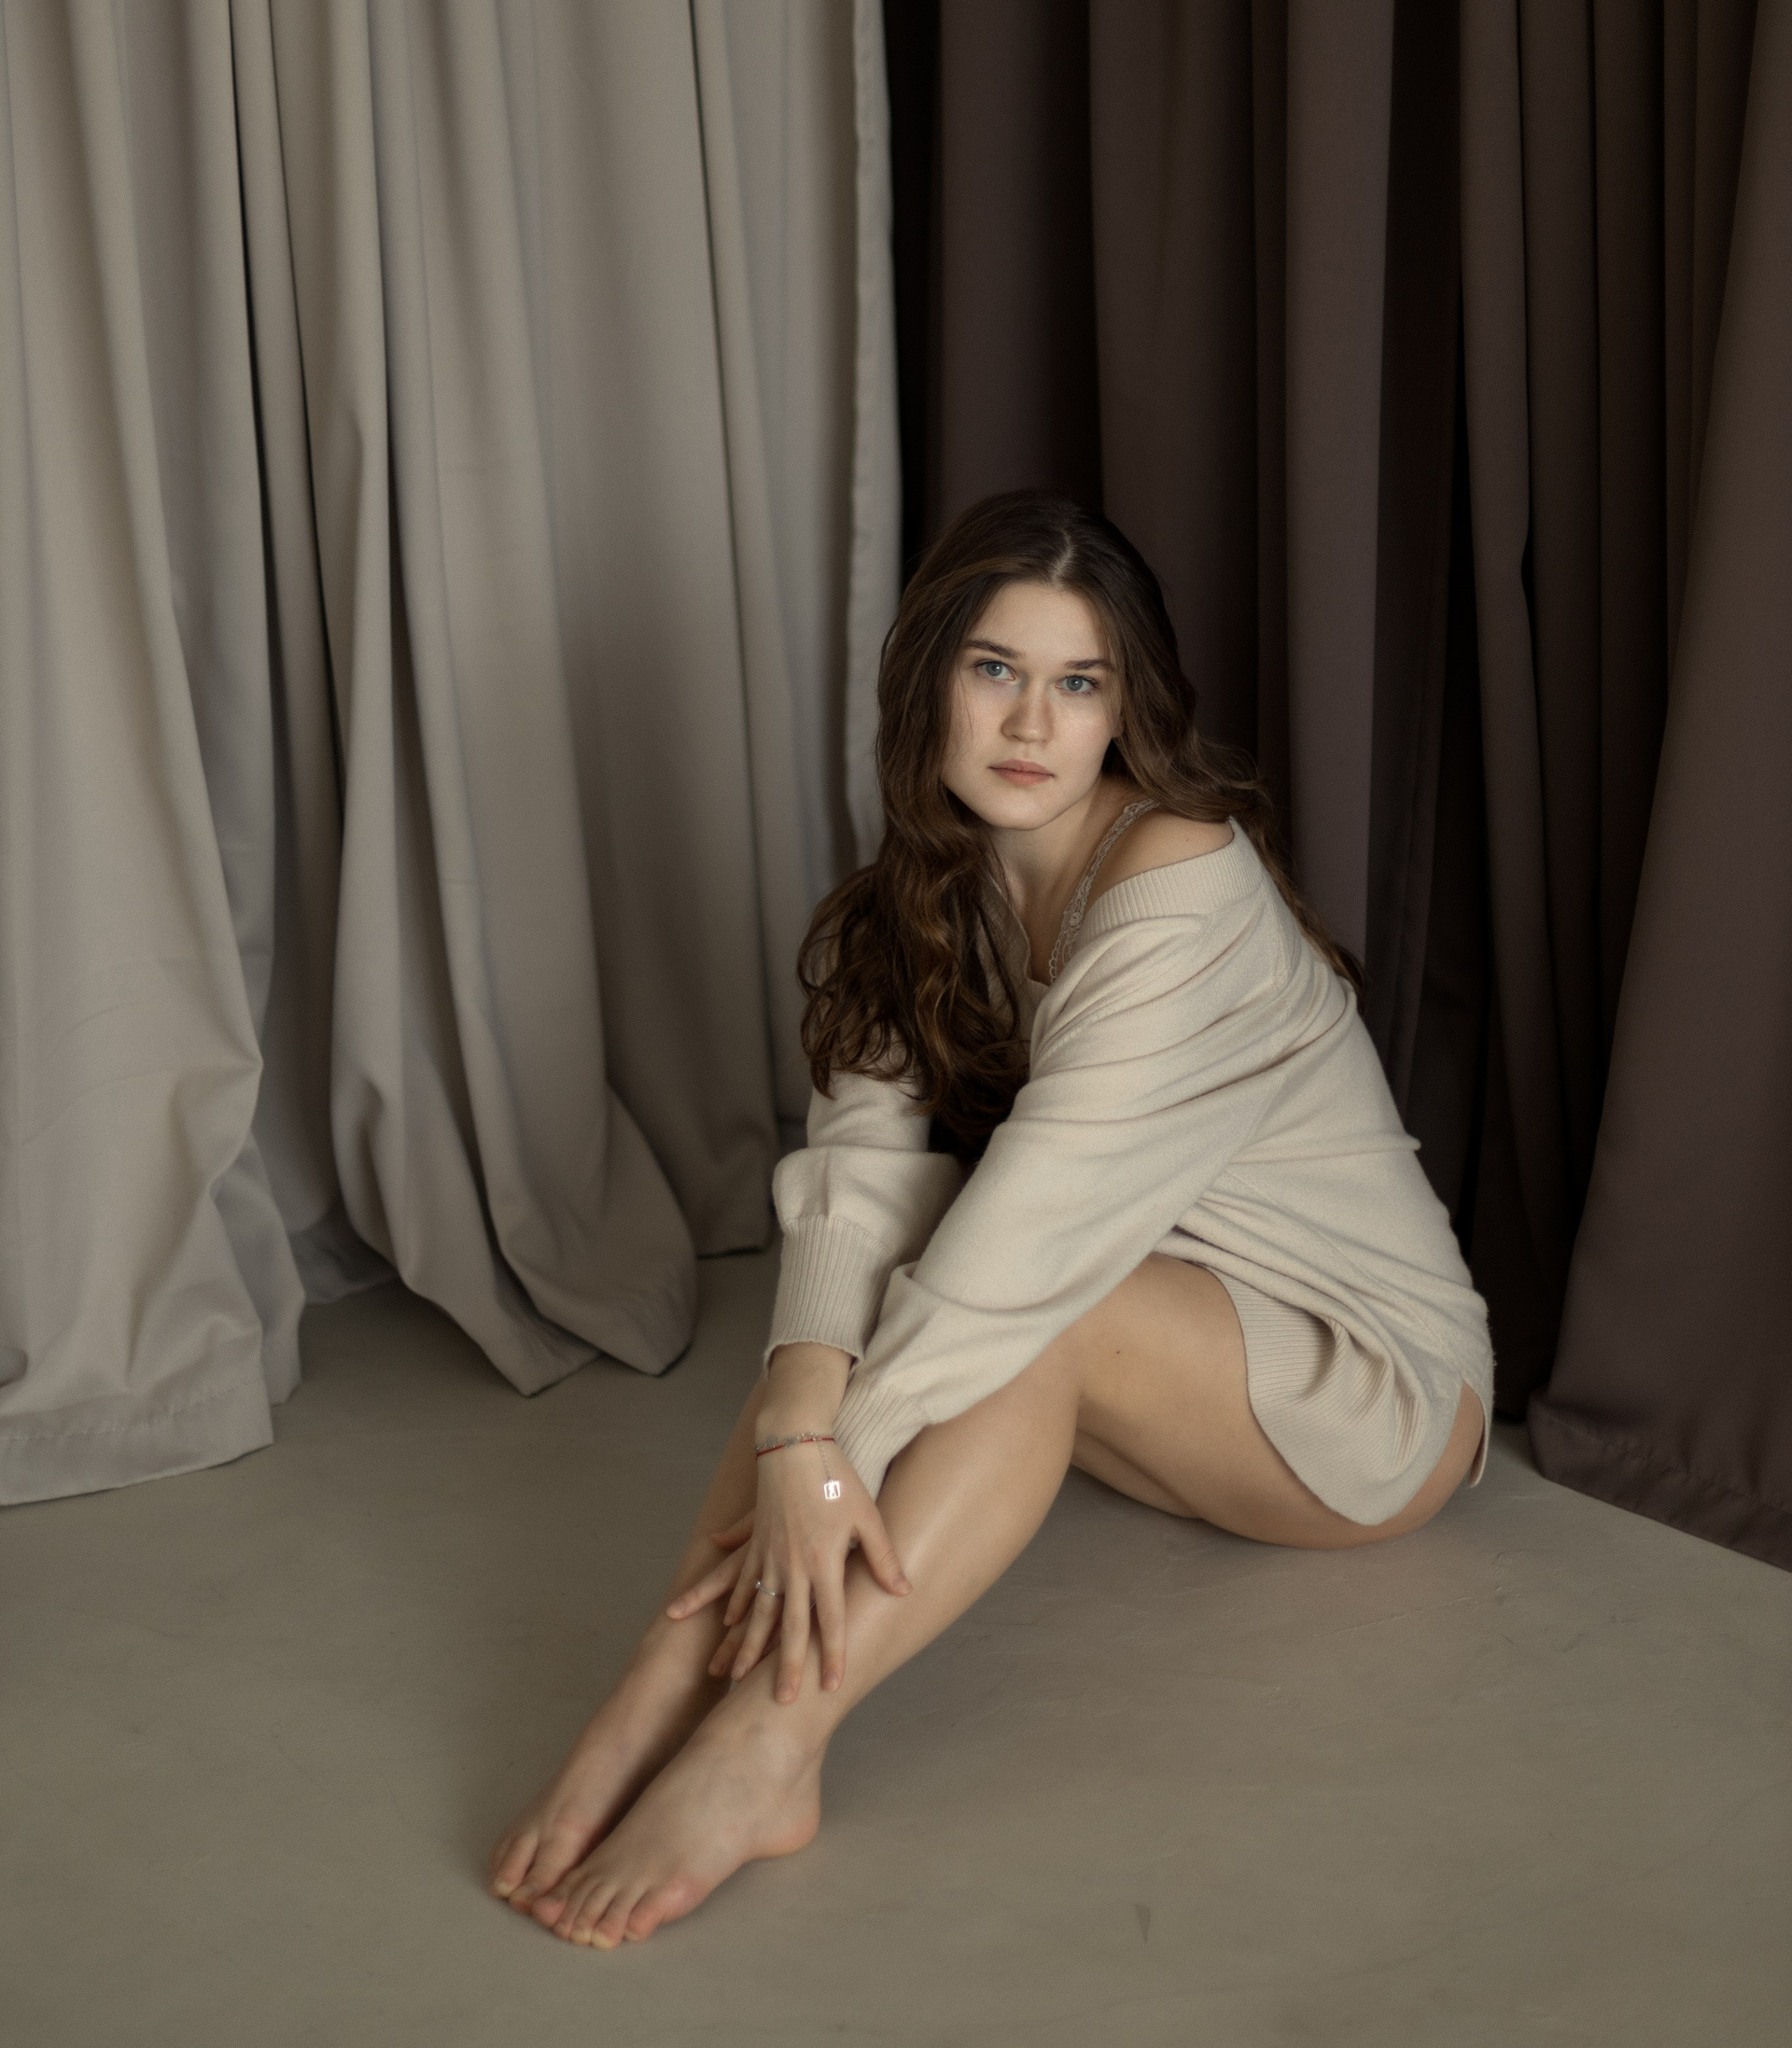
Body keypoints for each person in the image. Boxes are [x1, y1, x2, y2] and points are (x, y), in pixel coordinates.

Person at [488, 490, 1494, 1949]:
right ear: (929, 681)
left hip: (1371, 1397)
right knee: (894, 1256)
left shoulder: (1180, 887)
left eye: (1080, 683)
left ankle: (761, 1744)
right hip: (1172, 1351)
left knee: (1017, 1297)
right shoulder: (930, 883)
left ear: (1123, 712)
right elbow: (853, 1182)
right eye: (996, 670)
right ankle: (657, 1686)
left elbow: (1017, 1263)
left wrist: (812, 1456)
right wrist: (799, 1418)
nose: (1032, 724)